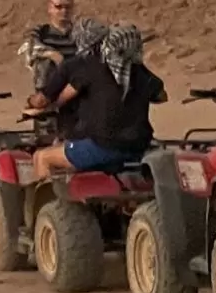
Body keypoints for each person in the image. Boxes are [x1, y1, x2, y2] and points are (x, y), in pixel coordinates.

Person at [28, 20, 166, 179]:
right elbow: (161, 96)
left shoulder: (89, 66)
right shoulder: (138, 71)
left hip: (103, 145)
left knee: (42, 157)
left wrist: (34, 103)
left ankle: (48, 203)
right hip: (138, 145)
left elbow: (55, 100)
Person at [18, 0, 77, 96]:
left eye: (67, 7)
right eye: (58, 7)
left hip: (76, 85)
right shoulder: (41, 31)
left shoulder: (80, 32)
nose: (64, 11)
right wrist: (51, 54)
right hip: (51, 88)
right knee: (44, 61)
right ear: (50, 8)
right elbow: (27, 47)